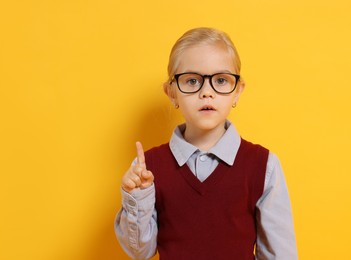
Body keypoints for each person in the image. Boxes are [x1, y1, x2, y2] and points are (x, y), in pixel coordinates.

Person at [115, 27, 297, 260]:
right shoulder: (146, 169)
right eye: (192, 81)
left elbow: (280, 253)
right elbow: (139, 252)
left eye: (221, 80)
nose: (207, 92)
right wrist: (137, 197)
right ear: (171, 93)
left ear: (237, 92)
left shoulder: (264, 165)